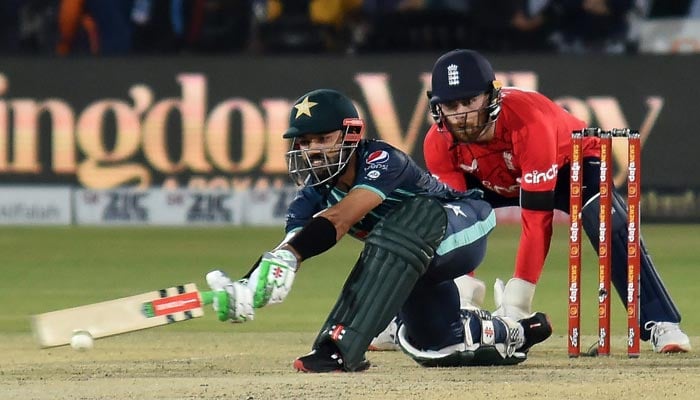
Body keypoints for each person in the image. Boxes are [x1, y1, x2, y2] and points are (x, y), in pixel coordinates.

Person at [204, 88, 553, 372]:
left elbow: (341, 218)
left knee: (399, 228)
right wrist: (249, 288)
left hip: (462, 223)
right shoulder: (310, 195)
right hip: (412, 260)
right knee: (434, 344)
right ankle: (518, 331)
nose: (313, 151)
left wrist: (291, 256)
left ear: (352, 134)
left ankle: (339, 348)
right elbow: (291, 247)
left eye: (323, 138)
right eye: (306, 142)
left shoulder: (382, 161)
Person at [420, 48, 690, 353]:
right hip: (492, 176)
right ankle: (404, 320)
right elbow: (457, 230)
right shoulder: (437, 143)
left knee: (607, 221)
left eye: (469, 101)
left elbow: (537, 221)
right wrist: (461, 295)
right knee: (430, 218)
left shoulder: (529, 124)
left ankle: (661, 323)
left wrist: (517, 301)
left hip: (570, 161)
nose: (462, 115)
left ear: (490, 96)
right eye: (451, 105)